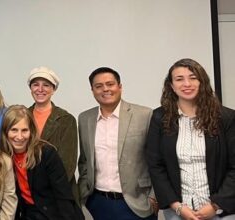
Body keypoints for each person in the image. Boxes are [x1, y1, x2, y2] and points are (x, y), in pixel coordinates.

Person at [146, 58, 235, 219]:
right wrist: (176, 206)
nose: (187, 84)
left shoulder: (226, 117)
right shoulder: (160, 117)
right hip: (178, 210)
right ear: (171, 86)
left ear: (202, 82)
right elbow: (155, 165)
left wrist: (215, 204)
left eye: (193, 77)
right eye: (179, 79)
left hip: (219, 210)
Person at [77, 67, 157, 220]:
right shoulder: (85, 118)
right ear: (92, 90)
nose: (105, 89)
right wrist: (85, 194)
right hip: (98, 202)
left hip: (137, 203)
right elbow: (84, 161)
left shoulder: (144, 115)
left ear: (120, 87)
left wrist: (154, 197)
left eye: (110, 84)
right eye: (98, 86)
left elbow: (158, 160)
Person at [0, 105, 82, 220]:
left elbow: (63, 197)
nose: (19, 136)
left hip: (56, 213)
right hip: (30, 214)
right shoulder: (3, 158)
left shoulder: (46, 153)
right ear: (5, 132)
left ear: (31, 131)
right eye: (14, 130)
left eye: (24, 130)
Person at [25, 66, 79, 202]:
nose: (40, 89)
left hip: (58, 195)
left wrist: (45, 190)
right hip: (27, 192)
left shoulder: (66, 119)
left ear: (54, 89)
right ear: (30, 88)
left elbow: (68, 164)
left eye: (46, 85)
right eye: (35, 85)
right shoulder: (22, 117)